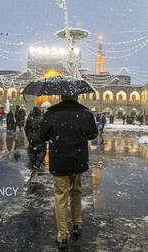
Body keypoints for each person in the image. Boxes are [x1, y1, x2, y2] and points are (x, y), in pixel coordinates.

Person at [40, 95, 98, 249]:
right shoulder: (85, 113)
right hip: (78, 160)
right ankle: (77, 224)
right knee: (76, 191)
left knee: (60, 196)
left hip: (59, 160)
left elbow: (42, 136)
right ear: (77, 96)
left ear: (60, 96)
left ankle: (63, 235)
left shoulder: (51, 113)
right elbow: (93, 134)